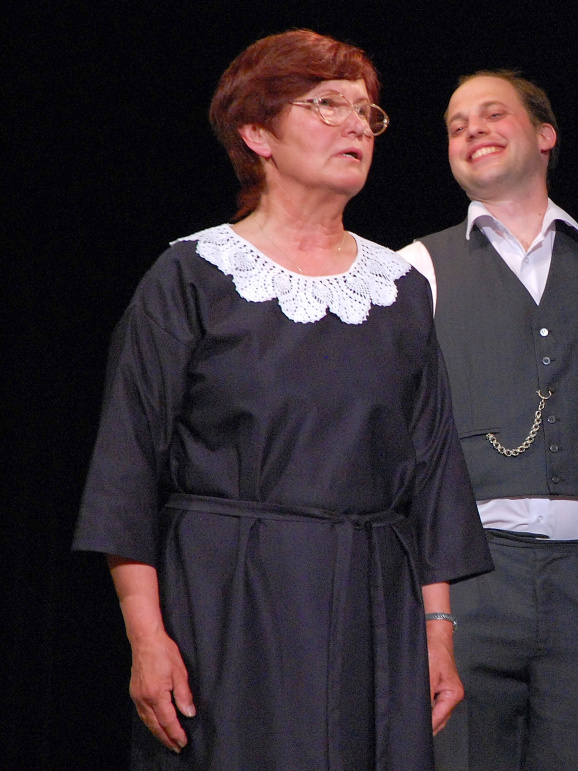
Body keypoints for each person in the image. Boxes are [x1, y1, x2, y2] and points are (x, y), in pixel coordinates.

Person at [73, 30, 492, 771]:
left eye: (366, 111)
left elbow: (432, 472)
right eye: (327, 104)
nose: (356, 124)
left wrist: (437, 632)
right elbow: (126, 467)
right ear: (257, 133)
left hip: (370, 605)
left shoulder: (398, 290)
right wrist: (146, 636)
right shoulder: (192, 277)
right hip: (228, 599)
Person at [399, 70, 578, 770]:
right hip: (468, 582)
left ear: (545, 134)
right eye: (456, 125)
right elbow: (396, 445)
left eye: (492, 114)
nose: (472, 130)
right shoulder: (416, 269)